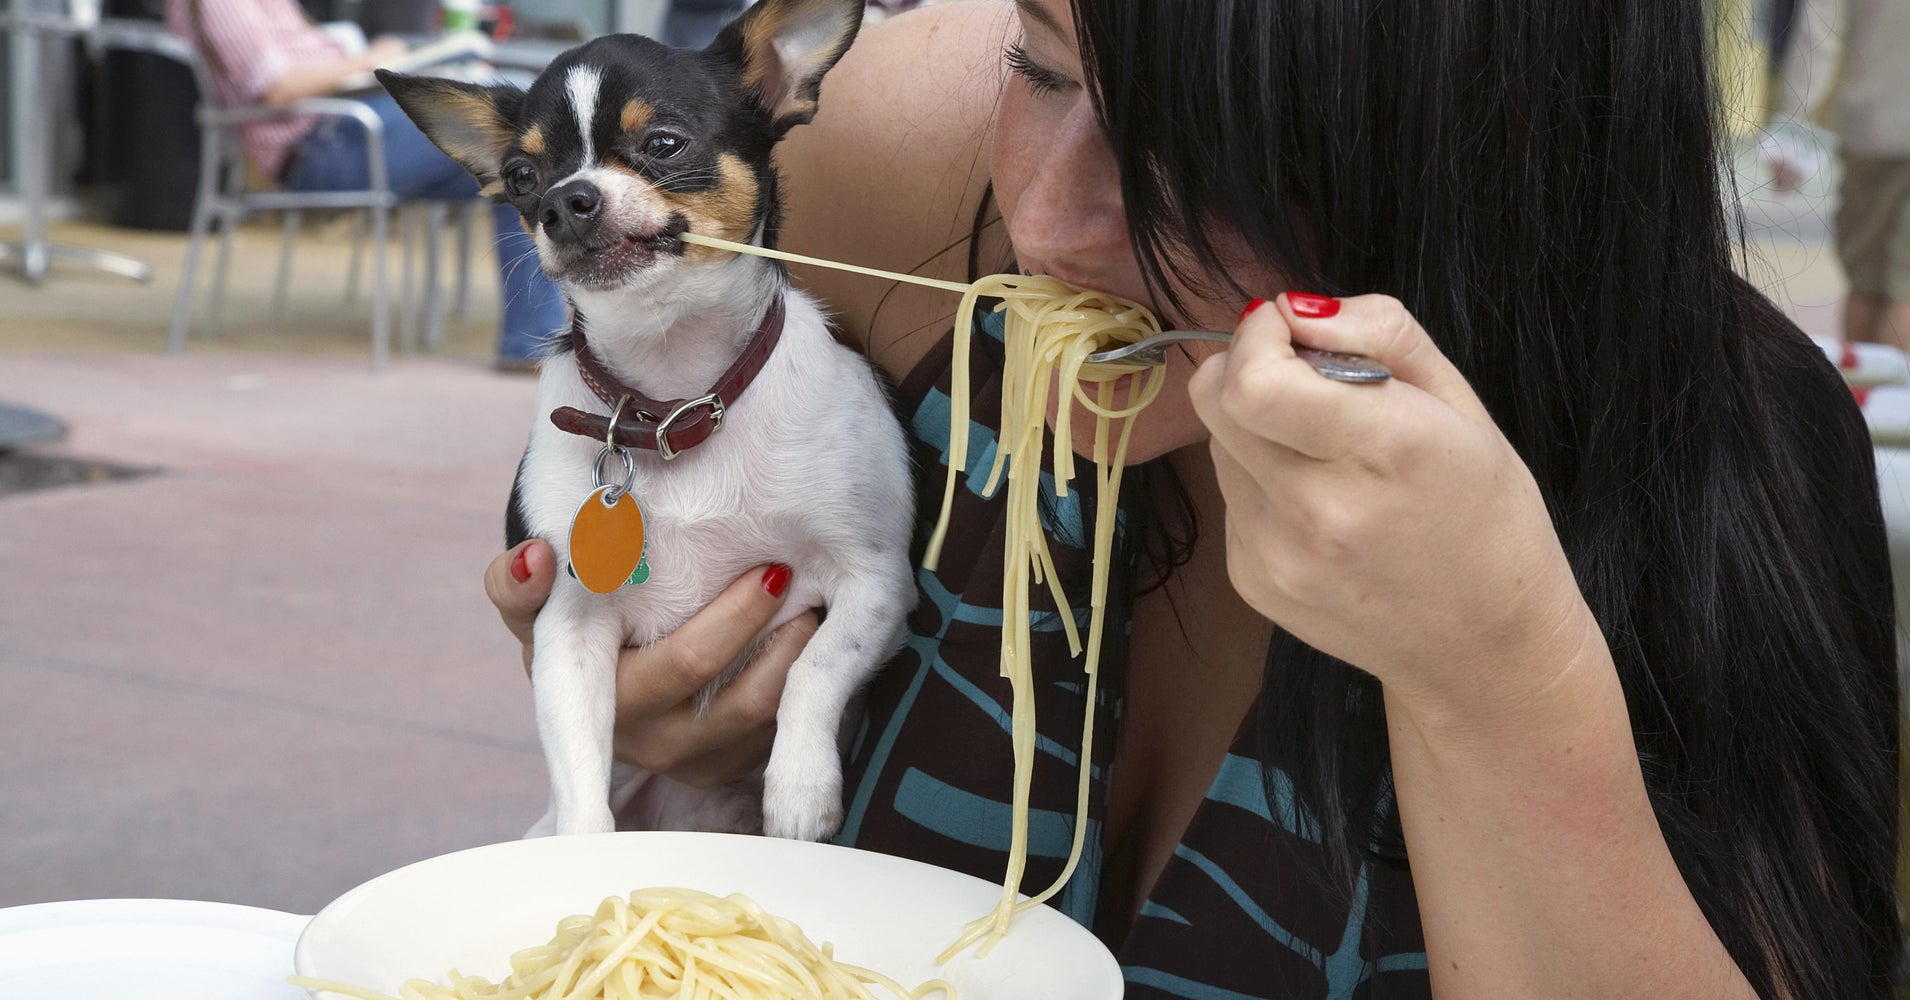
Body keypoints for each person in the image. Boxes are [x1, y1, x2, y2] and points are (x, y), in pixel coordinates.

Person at [485, 1, 1901, 996]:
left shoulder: (1723, 451)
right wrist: (653, 666)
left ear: (1498, 148)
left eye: (1214, 145)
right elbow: (619, 420)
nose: (1047, 225)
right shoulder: (904, 164)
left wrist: (1496, 678)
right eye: (1041, 71)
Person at [166, 0, 567, 369]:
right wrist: (370, 61)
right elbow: (279, 88)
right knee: (515, 128)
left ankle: (532, 343)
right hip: (322, 144)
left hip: (345, 123)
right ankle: (533, 346)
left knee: (522, 173)